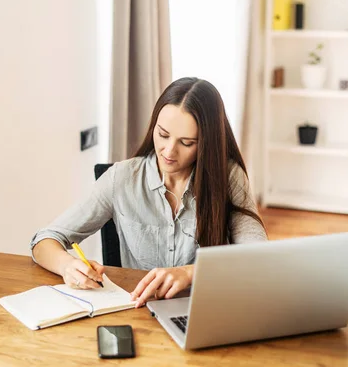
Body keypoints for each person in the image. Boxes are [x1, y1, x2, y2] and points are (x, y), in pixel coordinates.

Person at [30, 77, 267, 308]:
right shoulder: (121, 178)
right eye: (163, 135)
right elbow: (44, 240)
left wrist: (191, 272)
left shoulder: (228, 177)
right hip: (139, 311)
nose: (169, 151)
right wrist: (67, 266)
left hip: (207, 310)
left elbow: (259, 259)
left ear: (207, 143)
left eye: (186, 143)